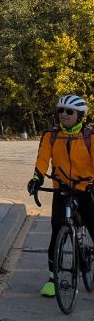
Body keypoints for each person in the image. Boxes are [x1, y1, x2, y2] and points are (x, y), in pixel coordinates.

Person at [27, 94, 94, 297]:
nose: (63, 115)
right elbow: (42, 159)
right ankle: (52, 279)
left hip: (86, 190)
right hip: (62, 190)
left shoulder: (89, 137)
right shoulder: (51, 136)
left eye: (69, 111)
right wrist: (36, 179)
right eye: (61, 110)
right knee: (57, 232)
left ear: (80, 116)